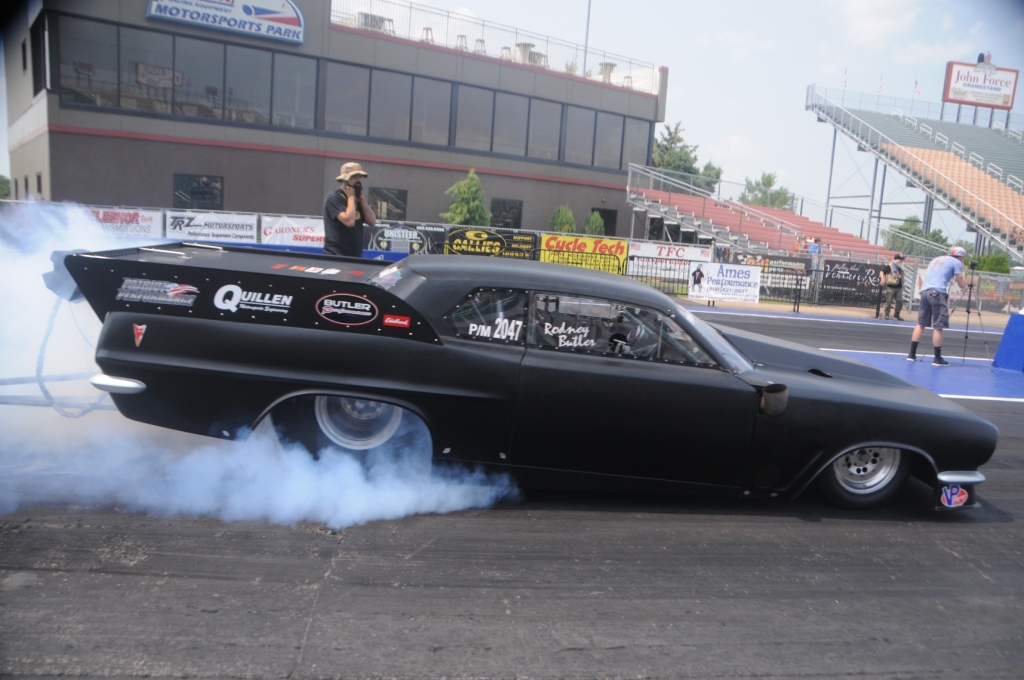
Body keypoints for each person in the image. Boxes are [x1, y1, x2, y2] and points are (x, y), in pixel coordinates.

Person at [908, 246, 968, 366]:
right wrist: (965, 276)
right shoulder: (957, 262)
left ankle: (911, 354)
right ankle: (937, 358)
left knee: (921, 324)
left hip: (925, 291)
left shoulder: (937, 259)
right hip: (937, 292)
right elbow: (961, 284)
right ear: (961, 256)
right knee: (938, 326)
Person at [324, 162, 376, 258]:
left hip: (355, 255)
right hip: (336, 254)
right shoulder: (334, 197)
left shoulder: (358, 200)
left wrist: (360, 199)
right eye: (355, 177)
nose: (358, 180)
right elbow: (349, 221)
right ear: (345, 179)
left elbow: (372, 221)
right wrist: (351, 197)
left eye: (360, 177)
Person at [880, 253, 906, 320]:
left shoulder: (901, 268)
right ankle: (887, 314)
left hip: (899, 287)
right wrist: (882, 279)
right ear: (896, 260)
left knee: (900, 301)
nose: (901, 261)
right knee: (889, 301)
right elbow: (882, 271)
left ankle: (897, 314)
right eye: (900, 260)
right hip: (891, 286)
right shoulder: (890, 266)